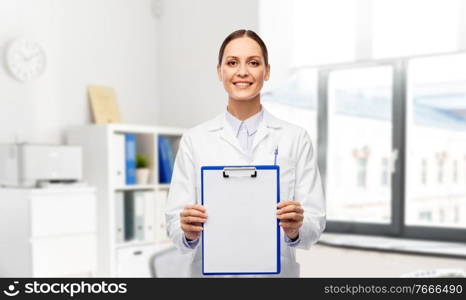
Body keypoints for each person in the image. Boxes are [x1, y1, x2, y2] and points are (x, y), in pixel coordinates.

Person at [165, 29, 325, 277]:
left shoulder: (295, 138)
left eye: (253, 62)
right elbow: (174, 225)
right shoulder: (194, 140)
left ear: (267, 71)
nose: (242, 72)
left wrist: (296, 228)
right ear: (220, 72)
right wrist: (187, 230)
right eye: (232, 63)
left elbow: (315, 221)